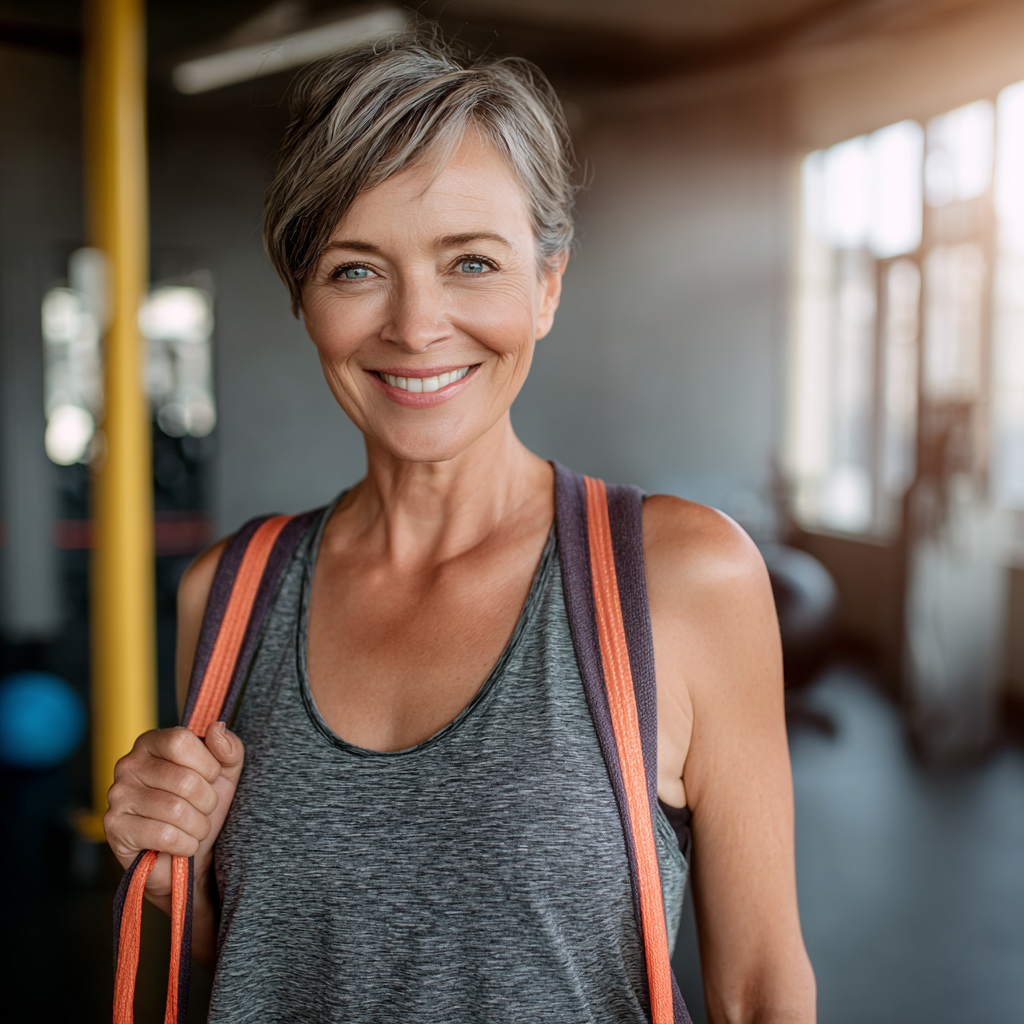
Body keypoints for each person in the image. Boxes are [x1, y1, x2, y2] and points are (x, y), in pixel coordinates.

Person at [104, 34, 816, 1023]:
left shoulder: (681, 577)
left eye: (471, 262)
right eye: (357, 271)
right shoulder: (229, 593)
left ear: (546, 286)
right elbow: (238, 973)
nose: (416, 324)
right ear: (305, 299)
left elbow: (760, 991)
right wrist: (176, 883)